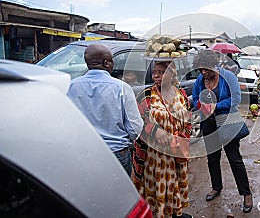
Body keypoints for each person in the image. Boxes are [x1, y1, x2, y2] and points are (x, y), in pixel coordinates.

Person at [67, 44, 144, 176]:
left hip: (82, 153)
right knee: (118, 195)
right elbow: (135, 127)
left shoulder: (71, 86)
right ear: (106, 63)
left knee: (88, 194)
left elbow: (66, 123)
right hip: (116, 154)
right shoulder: (122, 88)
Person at [191, 49, 253, 213]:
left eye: (207, 69)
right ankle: (216, 187)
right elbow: (196, 96)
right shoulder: (200, 79)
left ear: (215, 65)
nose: (204, 73)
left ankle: (246, 193)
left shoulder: (228, 77)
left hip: (227, 121)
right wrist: (200, 105)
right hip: (208, 123)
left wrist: (215, 107)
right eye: (201, 70)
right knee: (212, 158)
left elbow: (236, 99)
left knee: (235, 159)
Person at [132, 60, 192, 218]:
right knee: (155, 187)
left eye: (161, 72)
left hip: (175, 153)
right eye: (154, 72)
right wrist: (154, 131)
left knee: (174, 184)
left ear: (172, 74)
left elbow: (188, 120)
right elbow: (137, 121)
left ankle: (171, 212)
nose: (156, 76)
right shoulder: (146, 95)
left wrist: (181, 138)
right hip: (154, 156)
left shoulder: (181, 94)